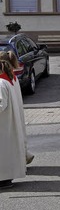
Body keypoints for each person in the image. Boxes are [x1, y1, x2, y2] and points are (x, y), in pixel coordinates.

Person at [0, 51, 34, 165]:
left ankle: (21, 157)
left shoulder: (3, 80)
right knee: (19, 135)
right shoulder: (12, 76)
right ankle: (24, 154)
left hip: (9, 113)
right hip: (16, 110)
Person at [0, 59, 26, 189]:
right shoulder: (6, 81)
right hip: (6, 122)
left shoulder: (0, 83)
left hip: (3, 124)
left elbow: (1, 105)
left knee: (3, 151)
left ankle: (4, 178)